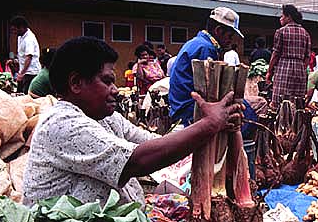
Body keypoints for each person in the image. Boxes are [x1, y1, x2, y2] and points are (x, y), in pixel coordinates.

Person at [22, 36, 243, 206]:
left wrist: (211, 125)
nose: (115, 90)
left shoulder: (106, 119)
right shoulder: (63, 123)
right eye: (107, 81)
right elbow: (137, 160)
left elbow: (153, 142)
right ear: (76, 83)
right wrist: (209, 125)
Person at [169, 6, 244, 127]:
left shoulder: (198, 42)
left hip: (181, 106)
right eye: (230, 36)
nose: (231, 41)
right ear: (218, 31)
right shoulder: (206, 48)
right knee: (245, 113)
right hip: (189, 111)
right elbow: (210, 93)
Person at [266, 4, 311, 108]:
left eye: (282, 16)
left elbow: (276, 54)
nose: (280, 18)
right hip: (300, 69)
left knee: (279, 102)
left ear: (289, 17)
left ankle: (279, 123)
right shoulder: (306, 34)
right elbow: (307, 57)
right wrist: (301, 69)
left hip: (284, 68)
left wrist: (269, 71)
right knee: (297, 103)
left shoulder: (281, 32)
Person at [9, 16, 42, 94]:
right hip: (23, 71)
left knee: (26, 96)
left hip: (30, 72)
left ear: (21, 27)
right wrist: (16, 60)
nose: (14, 32)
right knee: (19, 94)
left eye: (15, 29)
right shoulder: (20, 36)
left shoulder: (29, 39)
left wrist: (21, 74)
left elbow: (29, 58)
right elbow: (22, 54)